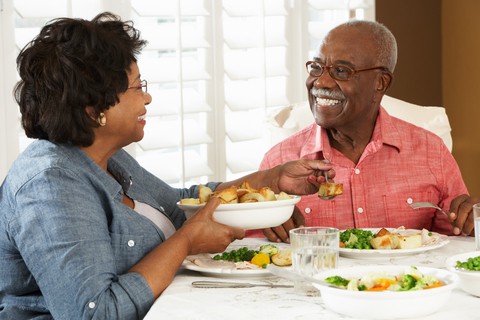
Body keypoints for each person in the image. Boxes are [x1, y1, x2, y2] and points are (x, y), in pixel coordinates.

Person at [0, 13, 335, 319]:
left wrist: (273, 179)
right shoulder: (49, 185)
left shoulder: (106, 157)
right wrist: (187, 242)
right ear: (93, 108)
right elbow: (94, 313)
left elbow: (180, 207)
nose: (146, 98)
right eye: (136, 87)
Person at [246, 20, 478, 242]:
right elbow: (253, 259)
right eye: (317, 67)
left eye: (341, 71)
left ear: (381, 83)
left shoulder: (431, 151)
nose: (321, 82)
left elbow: (455, 238)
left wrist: (470, 219)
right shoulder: (278, 163)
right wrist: (268, 227)